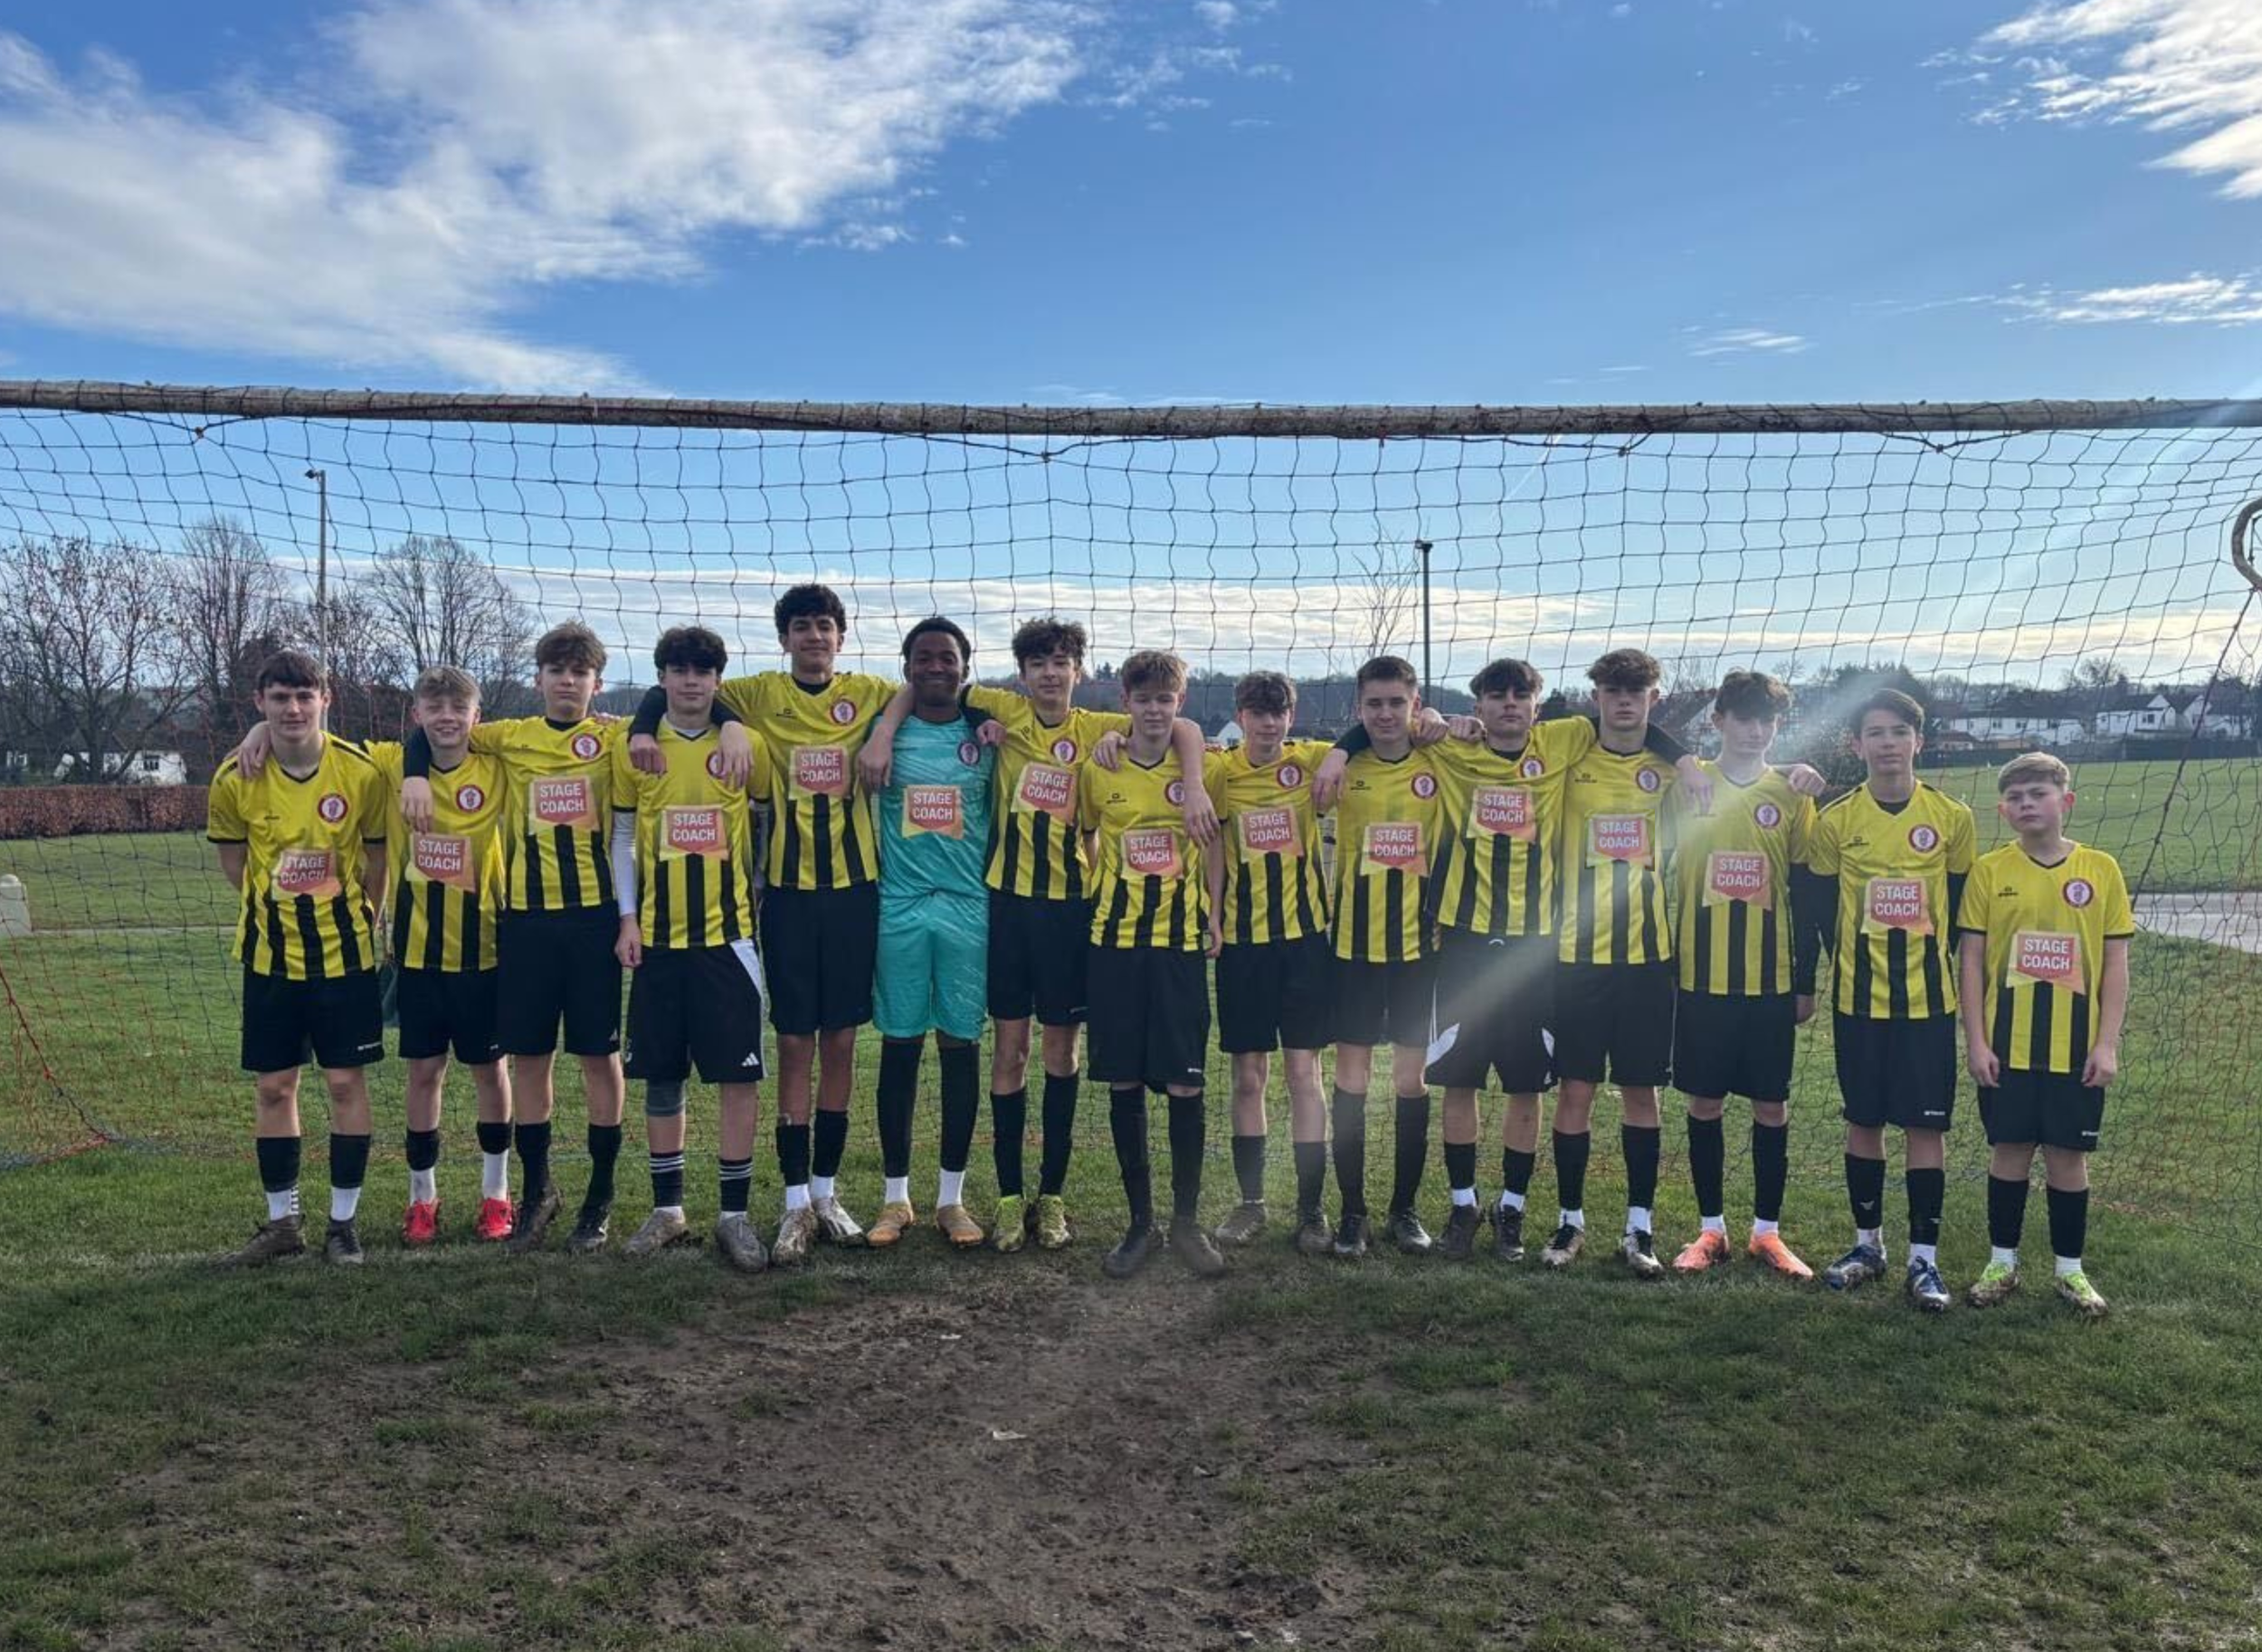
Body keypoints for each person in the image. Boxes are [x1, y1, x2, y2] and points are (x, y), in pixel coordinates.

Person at [1321, 660, 1700, 1261]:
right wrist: (1341, 752)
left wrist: (1682, 760)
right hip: (1464, 945)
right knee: (1458, 1082)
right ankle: (1463, 1206)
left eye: (1519, 695)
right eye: (1494, 696)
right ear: (1480, 704)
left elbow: (1639, 726)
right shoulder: (1447, 746)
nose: (1507, 705)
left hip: (1534, 946)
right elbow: (1390, 722)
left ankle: (1513, 1211)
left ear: (1537, 705)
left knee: (1528, 1087)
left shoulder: (1565, 740)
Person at [859, 616, 1212, 1253]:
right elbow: (921, 684)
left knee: (1061, 1054)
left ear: (1079, 672)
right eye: (1039, 664)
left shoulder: (1103, 730)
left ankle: (1052, 1197)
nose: (1051, 674)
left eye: (1062, 663)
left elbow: (1181, 724)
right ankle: (1007, 1197)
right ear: (1022, 675)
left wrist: (1190, 784)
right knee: (1010, 1052)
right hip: (1007, 909)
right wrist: (883, 731)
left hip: (1072, 915)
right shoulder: (1001, 711)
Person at [402, 623, 753, 1254]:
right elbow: (438, 727)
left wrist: (725, 719)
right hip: (526, 924)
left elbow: (672, 702)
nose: (567, 681)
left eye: (580, 672)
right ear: (537, 679)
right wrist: (414, 772)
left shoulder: (617, 737)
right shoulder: (508, 738)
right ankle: (539, 1192)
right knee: (530, 1059)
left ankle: (599, 1197)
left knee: (599, 1058)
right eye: (556, 670)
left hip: (595, 922)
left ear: (597, 680)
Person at [631, 584, 891, 1266]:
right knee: (796, 1043)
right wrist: (728, 725)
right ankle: (794, 1201)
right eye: (801, 627)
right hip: (786, 896)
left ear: (842, 635)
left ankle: (828, 1195)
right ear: (784, 639)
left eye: (825, 627)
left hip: (856, 891)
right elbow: (674, 691)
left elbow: (909, 699)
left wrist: (884, 736)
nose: (813, 637)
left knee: (841, 1043)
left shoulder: (868, 693)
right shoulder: (751, 696)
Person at [233, 665, 518, 1245]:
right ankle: (423, 1200)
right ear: (415, 715)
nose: (445, 718)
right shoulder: (387, 763)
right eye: (432, 707)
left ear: (476, 717)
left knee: (492, 1071)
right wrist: (260, 732)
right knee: (423, 1074)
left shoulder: (497, 763)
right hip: (415, 954)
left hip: (487, 949)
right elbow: (310, 737)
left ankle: (497, 1194)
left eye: (457, 708)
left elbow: (548, 739)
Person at [206, 650, 390, 1265]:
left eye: (303, 696)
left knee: (343, 1084)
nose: (292, 708)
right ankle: (282, 1224)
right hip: (269, 956)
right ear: (259, 703)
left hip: (346, 956)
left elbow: (377, 858)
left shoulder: (360, 772)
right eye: (279, 698)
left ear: (325, 700)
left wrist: (367, 916)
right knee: (273, 1087)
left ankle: (343, 1224)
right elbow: (235, 863)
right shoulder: (235, 776)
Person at [1805, 690, 1975, 1312]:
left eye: (1898, 731)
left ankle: (1923, 1261)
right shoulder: (1835, 820)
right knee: (1864, 1122)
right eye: (1873, 733)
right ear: (1856, 745)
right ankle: (1867, 1246)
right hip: (1858, 1002)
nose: (1886, 743)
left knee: (1926, 1129)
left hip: (1930, 1004)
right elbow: (1821, 909)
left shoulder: (1952, 818)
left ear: (1917, 742)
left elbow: (1960, 911)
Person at [609, 627, 771, 1272]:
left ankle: (734, 1216)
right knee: (662, 1075)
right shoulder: (636, 747)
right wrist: (627, 919)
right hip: (658, 937)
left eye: (703, 671)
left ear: (718, 680)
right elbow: (622, 837)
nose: (691, 681)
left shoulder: (746, 744)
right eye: (679, 670)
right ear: (663, 678)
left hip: (727, 940)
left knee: (737, 1078)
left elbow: (768, 821)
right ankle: (668, 1210)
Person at [1958, 752, 2131, 1316]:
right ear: (2003, 810)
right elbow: (1973, 962)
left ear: (2067, 801)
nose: (2026, 804)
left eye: (2038, 793)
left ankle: (2070, 1272)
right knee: (2008, 1150)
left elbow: (2114, 965)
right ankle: (2001, 1262)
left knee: (2067, 1157)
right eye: (2015, 797)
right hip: (2006, 1047)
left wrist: (2106, 1044)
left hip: (2075, 1050)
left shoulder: (2101, 870)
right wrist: (1977, 1041)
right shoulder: (1990, 871)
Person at [1668, 670, 1821, 1279]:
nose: (1756, 731)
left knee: (1770, 1106)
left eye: (1768, 721)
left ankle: (1767, 1234)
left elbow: (1808, 891)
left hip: (1769, 981)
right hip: (1699, 977)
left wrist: (1806, 980)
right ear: (1719, 721)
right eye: (1744, 718)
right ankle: (1710, 1232)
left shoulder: (1791, 792)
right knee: (1704, 1103)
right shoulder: (1688, 784)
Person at [1545, 649, 1695, 1277]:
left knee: (1642, 1092)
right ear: (1595, 697)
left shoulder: (1676, 770)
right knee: (1575, 1088)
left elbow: (1739, 777)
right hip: (1575, 956)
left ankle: (1640, 1228)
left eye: (1638, 689)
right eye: (1613, 689)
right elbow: (1505, 739)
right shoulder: (1568, 755)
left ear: (1655, 698)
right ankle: (1570, 1220)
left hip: (1646, 957)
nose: (1625, 700)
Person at [1078, 650, 1224, 1279]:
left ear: (1180, 703)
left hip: (1181, 944)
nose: (1156, 710)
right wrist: (1100, 888)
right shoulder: (1099, 767)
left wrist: (1215, 914)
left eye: (1167, 699)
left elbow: (1214, 846)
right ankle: (1141, 1224)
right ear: (1126, 703)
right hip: (1113, 945)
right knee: (1124, 1081)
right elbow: (1085, 834)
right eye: (1145, 699)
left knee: (1187, 1083)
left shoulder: (1201, 769)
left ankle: (1187, 1223)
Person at [865, 618, 993, 1251]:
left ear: (965, 668)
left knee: (960, 1047)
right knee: (900, 1046)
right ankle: (895, 1199)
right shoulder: (883, 731)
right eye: (923, 657)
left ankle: (952, 1199)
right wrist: (885, 728)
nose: (935, 666)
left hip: (970, 909)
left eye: (947, 657)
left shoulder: (987, 734)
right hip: (902, 907)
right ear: (907, 667)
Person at [1198, 671, 1335, 1250]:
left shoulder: (1312, 761)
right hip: (1244, 945)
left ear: (1292, 713)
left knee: (1305, 1074)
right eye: (1258, 712)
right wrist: (1212, 915)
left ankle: (1311, 1209)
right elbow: (1210, 846)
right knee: (1248, 1077)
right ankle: (1251, 1204)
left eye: (1278, 712)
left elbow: (1378, 739)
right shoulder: (1219, 772)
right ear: (1241, 715)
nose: (1269, 723)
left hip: (1305, 942)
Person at [1312, 656, 1442, 1258]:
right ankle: (1353, 1212)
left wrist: (1448, 722)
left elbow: (1474, 734)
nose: (1387, 714)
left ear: (1415, 706)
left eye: (1398, 703)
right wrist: (1340, 749)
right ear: (1358, 711)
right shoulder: (1342, 769)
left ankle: (1404, 1210)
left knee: (1413, 1081)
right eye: (1375, 705)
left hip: (1420, 950)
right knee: (1352, 1080)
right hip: (1352, 950)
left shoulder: (1439, 762)